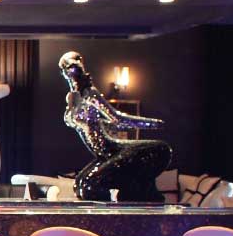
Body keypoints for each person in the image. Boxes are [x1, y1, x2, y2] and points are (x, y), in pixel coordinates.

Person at [59, 51, 172, 203]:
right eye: (66, 70)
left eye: (73, 68)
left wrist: (152, 123)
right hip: (102, 154)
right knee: (80, 184)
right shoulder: (73, 98)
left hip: (112, 148)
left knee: (90, 186)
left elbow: (117, 119)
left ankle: (115, 212)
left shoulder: (90, 94)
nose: (70, 73)